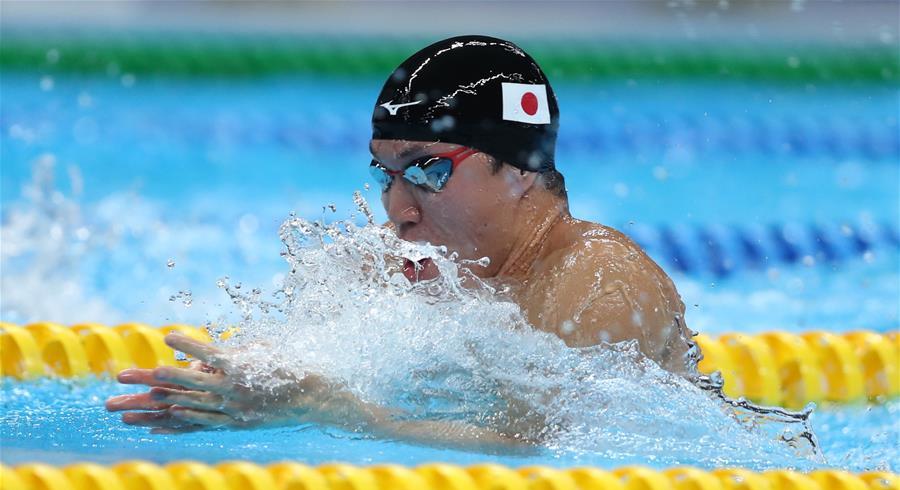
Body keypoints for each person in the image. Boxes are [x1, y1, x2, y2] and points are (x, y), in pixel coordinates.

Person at [107, 36, 697, 449]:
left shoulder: (600, 283)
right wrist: (243, 386)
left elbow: (537, 454)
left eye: (428, 171)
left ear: (520, 168)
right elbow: (307, 363)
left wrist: (333, 410)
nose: (398, 209)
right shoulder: (405, 263)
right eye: (385, 176)